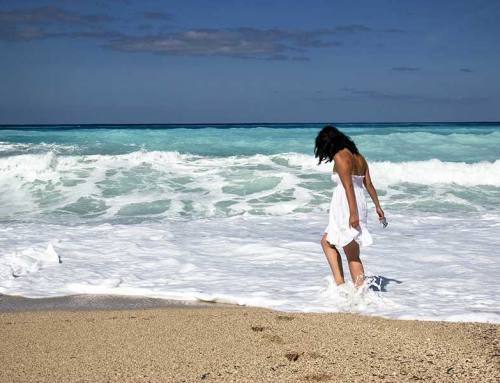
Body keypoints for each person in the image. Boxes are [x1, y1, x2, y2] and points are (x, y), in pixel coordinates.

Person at [315, 125, 385, 287]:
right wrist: (378, 207)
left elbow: (348, 187)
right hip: (359, 203)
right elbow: (369, 184)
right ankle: (352, 290)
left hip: (347, 206)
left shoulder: (340, 156)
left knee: (343, 250)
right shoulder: (359, 157)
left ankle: (350, 290)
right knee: (337, 246)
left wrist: (353, 214)